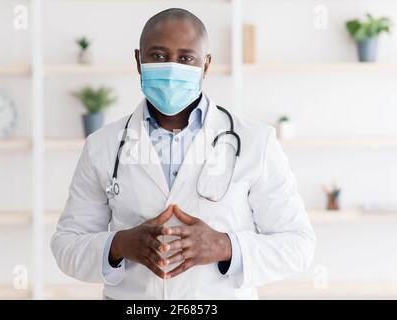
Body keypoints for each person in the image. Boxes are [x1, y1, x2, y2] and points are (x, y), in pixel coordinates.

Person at [51, 8, 316, 300]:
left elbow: (298, 246)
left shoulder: (255, 141)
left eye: (186, 58)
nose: (172, 68)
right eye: (159, 56)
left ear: (206, 65)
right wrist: (120, 244)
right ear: (139, 61)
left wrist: (225, 246)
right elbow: (66, 246)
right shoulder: (102, 145)